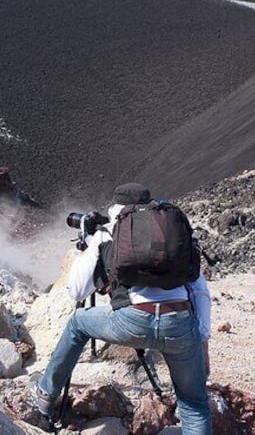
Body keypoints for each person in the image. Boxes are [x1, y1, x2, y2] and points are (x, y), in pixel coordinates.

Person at [33, 183, 212, 434]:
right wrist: (202, 339)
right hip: (179, 322)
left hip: (132, 320)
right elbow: (200, 291)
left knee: (77, 323)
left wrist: (88, 247)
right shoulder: (173, 230)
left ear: (116, 206)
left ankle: (45, 395)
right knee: (194, 405)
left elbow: (77, 290)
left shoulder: (108, 231)